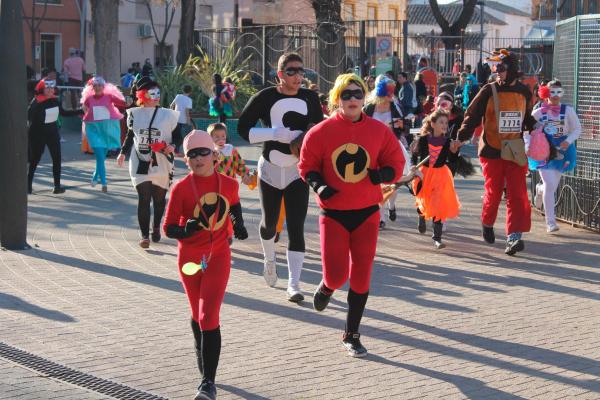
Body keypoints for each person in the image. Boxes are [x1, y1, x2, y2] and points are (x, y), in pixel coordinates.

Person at [298, 73, 405, 357]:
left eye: (358, 94)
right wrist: (319, 185)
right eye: (346, 95)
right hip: (333, 213)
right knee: (336, 275)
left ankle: (352, 333)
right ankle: (326, 287)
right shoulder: (320, 132)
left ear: (365, 97)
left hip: (367, 212)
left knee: (361, 276)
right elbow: (306, 165)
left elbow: (396, 161)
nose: (353, 99)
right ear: (336, 99)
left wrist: (383, 174)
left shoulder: (378, 131)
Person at [163, 130, 248, 400]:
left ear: (214, 155)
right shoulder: (181, 188)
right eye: (191, 155)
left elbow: (234, 206)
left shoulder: (229, 184)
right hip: (190, 261)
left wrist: (240, 224)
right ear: (185, 160)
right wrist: (184, 231)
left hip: (218, 256)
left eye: (202, 153)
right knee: (197, 315)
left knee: (208, 315)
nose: (198, 159)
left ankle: (207, 383)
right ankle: (201, 351)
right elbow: (167, 228)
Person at [237, 52, 323, 302]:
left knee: (296, 227)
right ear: (280, 75)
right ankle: (269, 258)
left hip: (297, 171)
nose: (297, 76)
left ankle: (294, 284)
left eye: (300, 71)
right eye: (291, 71)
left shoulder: (309, 97)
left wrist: (301, 138)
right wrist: (274, 133)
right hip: (271, 170)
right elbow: (243, 129)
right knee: (270, 223)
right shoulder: (265, 97)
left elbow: (318, 129)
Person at [455, 49, 537, 256]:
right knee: (494, 192)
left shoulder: (525, 92)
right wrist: (461, 137)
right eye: (493, 68)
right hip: (491, 150)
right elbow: (472, 115)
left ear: (511, 69)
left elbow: (526, 118)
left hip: (515, 150)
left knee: (518, 194)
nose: (495, 71)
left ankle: (514, 236)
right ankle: (487, 222)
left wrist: (539, 131)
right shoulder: (487, 91)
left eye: (499, 68)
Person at [117, 77, 179, 248]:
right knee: (144, 198)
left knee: (159, 199)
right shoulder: (134, 114)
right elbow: (131, 135)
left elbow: (178, 136)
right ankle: (144, 235)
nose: (156, 96)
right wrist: (123, 153)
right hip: (140, 160)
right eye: (152, 93)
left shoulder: (169, 114)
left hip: (162, 161)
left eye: (158, 92)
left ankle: (156, 227)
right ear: (143, 95)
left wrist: (173, 146)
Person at [530, 80, 581, 233]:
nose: (555, 96)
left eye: (559, 92)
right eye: (552, 92)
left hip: (563, 151)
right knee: (550, 184)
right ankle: (550, 222)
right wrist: (532, 139)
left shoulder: (568, 110)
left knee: (551, 186)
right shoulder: (539, 112)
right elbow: (527, 126)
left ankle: (539, 190)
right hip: (544, 150)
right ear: (546, 93)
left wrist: (568, 141)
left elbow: (577, 129)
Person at [411, 110, 460, 248]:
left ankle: (437, 238)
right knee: (423, 198)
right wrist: (413, 165)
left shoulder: (447, 142)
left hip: (440, 175)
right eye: (441, 122)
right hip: (424, 174)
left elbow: (452, 160)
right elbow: (414, 155)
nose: (445, 125)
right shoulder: (423, 139)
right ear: (433, 124)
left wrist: (454, 152)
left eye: (446, 122)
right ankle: (421, 216)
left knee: (438, 204)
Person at [363, 75, 407, 228]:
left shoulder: (395, 106)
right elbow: (360, 123)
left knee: (393, 182)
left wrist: (399, 125)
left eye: (392, 92)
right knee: (378, 182)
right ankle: (380, 217)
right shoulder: (369, 107)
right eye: (389, 92)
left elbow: (405, 127)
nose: (391, 95)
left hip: (391, 147)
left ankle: (392, 206)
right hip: (373, 148)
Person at [27, 79, 81, 194]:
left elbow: (64, 113)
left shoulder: (55, 100)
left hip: (52, 133)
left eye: (52, 88)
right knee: (35, 160)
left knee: (57, 159)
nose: (50, 90)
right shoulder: (36, 101)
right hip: (37, 134)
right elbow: (29, 116)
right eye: (48, 88)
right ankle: (28, 186)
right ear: (42, 89)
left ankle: (57, 186)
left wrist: (81, 111)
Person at [81, 76, 127, 192]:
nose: (97, 88)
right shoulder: (89, 99)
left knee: (101, 159)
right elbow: (85, 108)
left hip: (107, 130)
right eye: (95, 86)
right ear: (92, 87)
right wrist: (87, 113)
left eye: (99, 85)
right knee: (100, 157)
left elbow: (122, 103)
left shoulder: (109, 97)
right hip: (94, 130)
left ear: (103, 86)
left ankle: (95, 177)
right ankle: (104, 183)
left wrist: (131, 101)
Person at [171, 84, 194, 154]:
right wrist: (188, 121)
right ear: (190, 92)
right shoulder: (189, 100)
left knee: (175, 136)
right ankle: (187, 150)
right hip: (183, 121)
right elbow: (187, 111)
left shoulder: (178, 96)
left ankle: (175, 150)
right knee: (187, 136)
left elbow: (171, 105)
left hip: (175, 119)